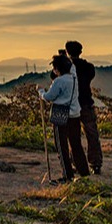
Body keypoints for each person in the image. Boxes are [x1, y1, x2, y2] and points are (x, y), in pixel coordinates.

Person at [40, 53, 90, 182]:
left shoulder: (59, 81)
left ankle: (67, 176)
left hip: (60, 112)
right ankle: (84, 172)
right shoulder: (74, 77)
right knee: (76, 144)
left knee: (61, 146)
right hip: (74, 113)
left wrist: (40, 91)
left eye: (54, 68)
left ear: (57, 69)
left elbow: (48, 97)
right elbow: (71, 66)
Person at [66, 40, 103, 174]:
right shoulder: (88, 67)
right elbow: (90, 76)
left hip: (72, 106)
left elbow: (54, 76)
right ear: (81, 52)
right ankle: (96, 163)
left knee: (73, 136)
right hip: (87, 103)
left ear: (67, 51)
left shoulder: (67, 67)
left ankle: (75, 163)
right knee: (92, 134)